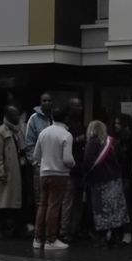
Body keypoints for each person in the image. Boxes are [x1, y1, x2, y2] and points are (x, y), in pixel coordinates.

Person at [32, 107, 74, 250]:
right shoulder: (66, 135)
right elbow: (68, 159)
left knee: (42, 204)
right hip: (59, 174)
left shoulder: (43, 132)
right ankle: (51, 239)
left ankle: (38, 239)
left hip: (43, 173)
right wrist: (73, 164)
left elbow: (36, 155)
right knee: (54, 205)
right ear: (66, 118)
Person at [83, 120, 129, 247]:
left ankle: (103, 237)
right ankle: (116, 237)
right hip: (114, 180)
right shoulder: (112, 142)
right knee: (115, 209)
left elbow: (87, 161)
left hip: (99, 182)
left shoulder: (92, 142)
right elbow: (121, 159)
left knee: (101, 210)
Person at [0, 105, 27, 238]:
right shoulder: (0, 132)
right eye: (16, 114)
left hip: (18, 169)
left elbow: (22, 149)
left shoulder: (17, 131)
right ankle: (0, 227)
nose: (18, 117)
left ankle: (16, 228)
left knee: (16, 201)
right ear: (8, 115)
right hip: (8, 172)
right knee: (5, 202)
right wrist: (0, 173)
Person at [60, 98, 86, 242]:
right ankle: (64, 230)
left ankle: (74, 228)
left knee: (78, 201)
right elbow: (63, 144)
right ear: (71, 108)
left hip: (80, 168)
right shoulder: (66, 125)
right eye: (78, 106)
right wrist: (77, 140)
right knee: (68, 200)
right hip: (69, 168)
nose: (81, 108)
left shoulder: (79, 124)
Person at [25, 92, 53, 225]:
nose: (46, 103)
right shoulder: (34, 118)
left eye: (49, 100)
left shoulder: (54, 118)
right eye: (44, 100)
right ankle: (40, 227)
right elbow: (29, 142)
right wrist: (34, 162)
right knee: (40, 198)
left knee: (52, 198)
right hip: (40, 165)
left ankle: (50, 226)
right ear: (40, 102)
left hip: (54, 165)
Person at [113, 113, 132, 245]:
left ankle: (127, 231)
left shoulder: (127, 140)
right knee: (119, 205)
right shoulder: (117, 139)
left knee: (126, 205)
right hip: (119, 175)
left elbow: (127, 159)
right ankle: (120, 231)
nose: (116, 126)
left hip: (125, 175)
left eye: (118, 123)